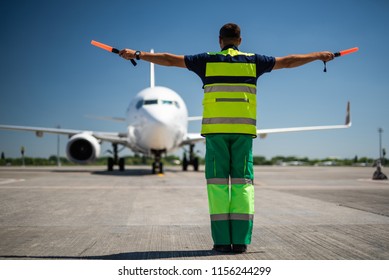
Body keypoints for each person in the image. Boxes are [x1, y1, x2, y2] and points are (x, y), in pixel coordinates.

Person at [119, 23, 334, 253]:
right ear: (240, 41)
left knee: (217, 185)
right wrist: (318, 56)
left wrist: (138, 55)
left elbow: (170, 59)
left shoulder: (207, 60)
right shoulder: (254, 61)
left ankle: (221, 242)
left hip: (216, 133)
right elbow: (289, 61)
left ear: (220, 40)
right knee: (243, 184)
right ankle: (240, 242)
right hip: (243, 133)